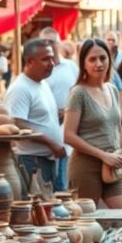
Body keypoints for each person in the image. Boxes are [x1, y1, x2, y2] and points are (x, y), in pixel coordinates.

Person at [64, 38, 122, 208]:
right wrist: (104, 156)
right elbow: (68, 136)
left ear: (109, 60)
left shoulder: (111, 89)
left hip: (115, 165)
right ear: (84, 64)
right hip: (86, 167)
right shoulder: (78, 93)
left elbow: (118, 130)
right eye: (92, 59)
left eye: (103, 58)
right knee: (88, 226)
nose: (98, 64)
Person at [4, 39, 66, 193]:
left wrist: (58, 118)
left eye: (52, 58)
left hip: (46, 160)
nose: (51, 63)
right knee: (36, 210)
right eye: (45, 59)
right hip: (31, 161)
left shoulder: (42, 83)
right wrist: (50, 142)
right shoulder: (20, 88)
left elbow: (38, 119)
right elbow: (17, 124)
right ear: (30, 61)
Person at [39, 27, 79, 189]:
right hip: (45, 133)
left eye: (52, 42)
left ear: (59, 44)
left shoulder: (71, 66)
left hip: (68, 134)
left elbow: (79, 90)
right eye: (45, 42)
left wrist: (68, 110)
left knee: (64, 185)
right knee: (48, 186)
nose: (49, 45)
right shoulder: (37, 69)